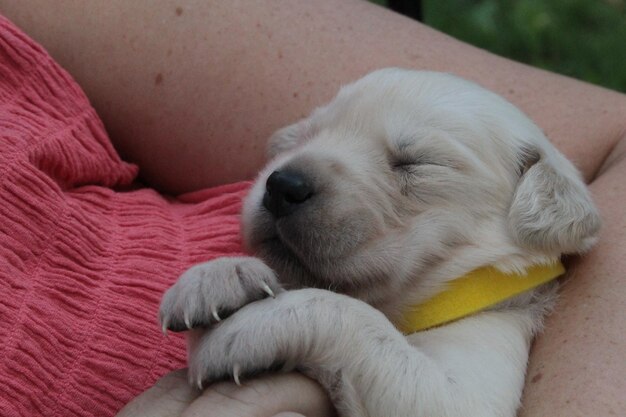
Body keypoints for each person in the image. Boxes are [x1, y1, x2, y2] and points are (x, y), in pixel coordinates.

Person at [0, 1, 623, 416]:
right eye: (307, 138)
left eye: (411, 167)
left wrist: (323, 323)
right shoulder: (353, 290)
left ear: (538, 208)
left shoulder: (488, 329)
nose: (288, 177)